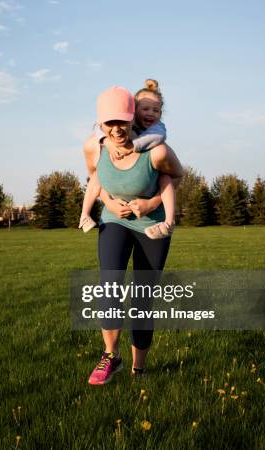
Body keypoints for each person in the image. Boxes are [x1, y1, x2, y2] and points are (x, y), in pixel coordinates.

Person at [83, 86, 184, 384]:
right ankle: (110, 356)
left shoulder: (157, 150)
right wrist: (107, 201)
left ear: (131, 119)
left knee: (142, 299)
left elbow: (177, 175)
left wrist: (151, 203)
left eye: (121, 122)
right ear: (101, 123)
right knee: (110, 285)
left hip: (151, 226)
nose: (116, 129)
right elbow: (95, 177)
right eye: (109, 123)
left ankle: (138, 369)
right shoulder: (95, 146)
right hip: (114, 221)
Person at [79, 79, 176, 239]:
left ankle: (169, 223)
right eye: (145, 109)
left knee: (165, 177)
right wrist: (106, 142)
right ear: (134, 111)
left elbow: (159, 138)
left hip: (152, 213)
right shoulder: (105, 137)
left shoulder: (156, 131)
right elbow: (98, 127)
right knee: (96, 176)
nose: (150, 113)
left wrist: (133, 146)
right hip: (115, 219)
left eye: (156, 110)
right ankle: (84, 215)